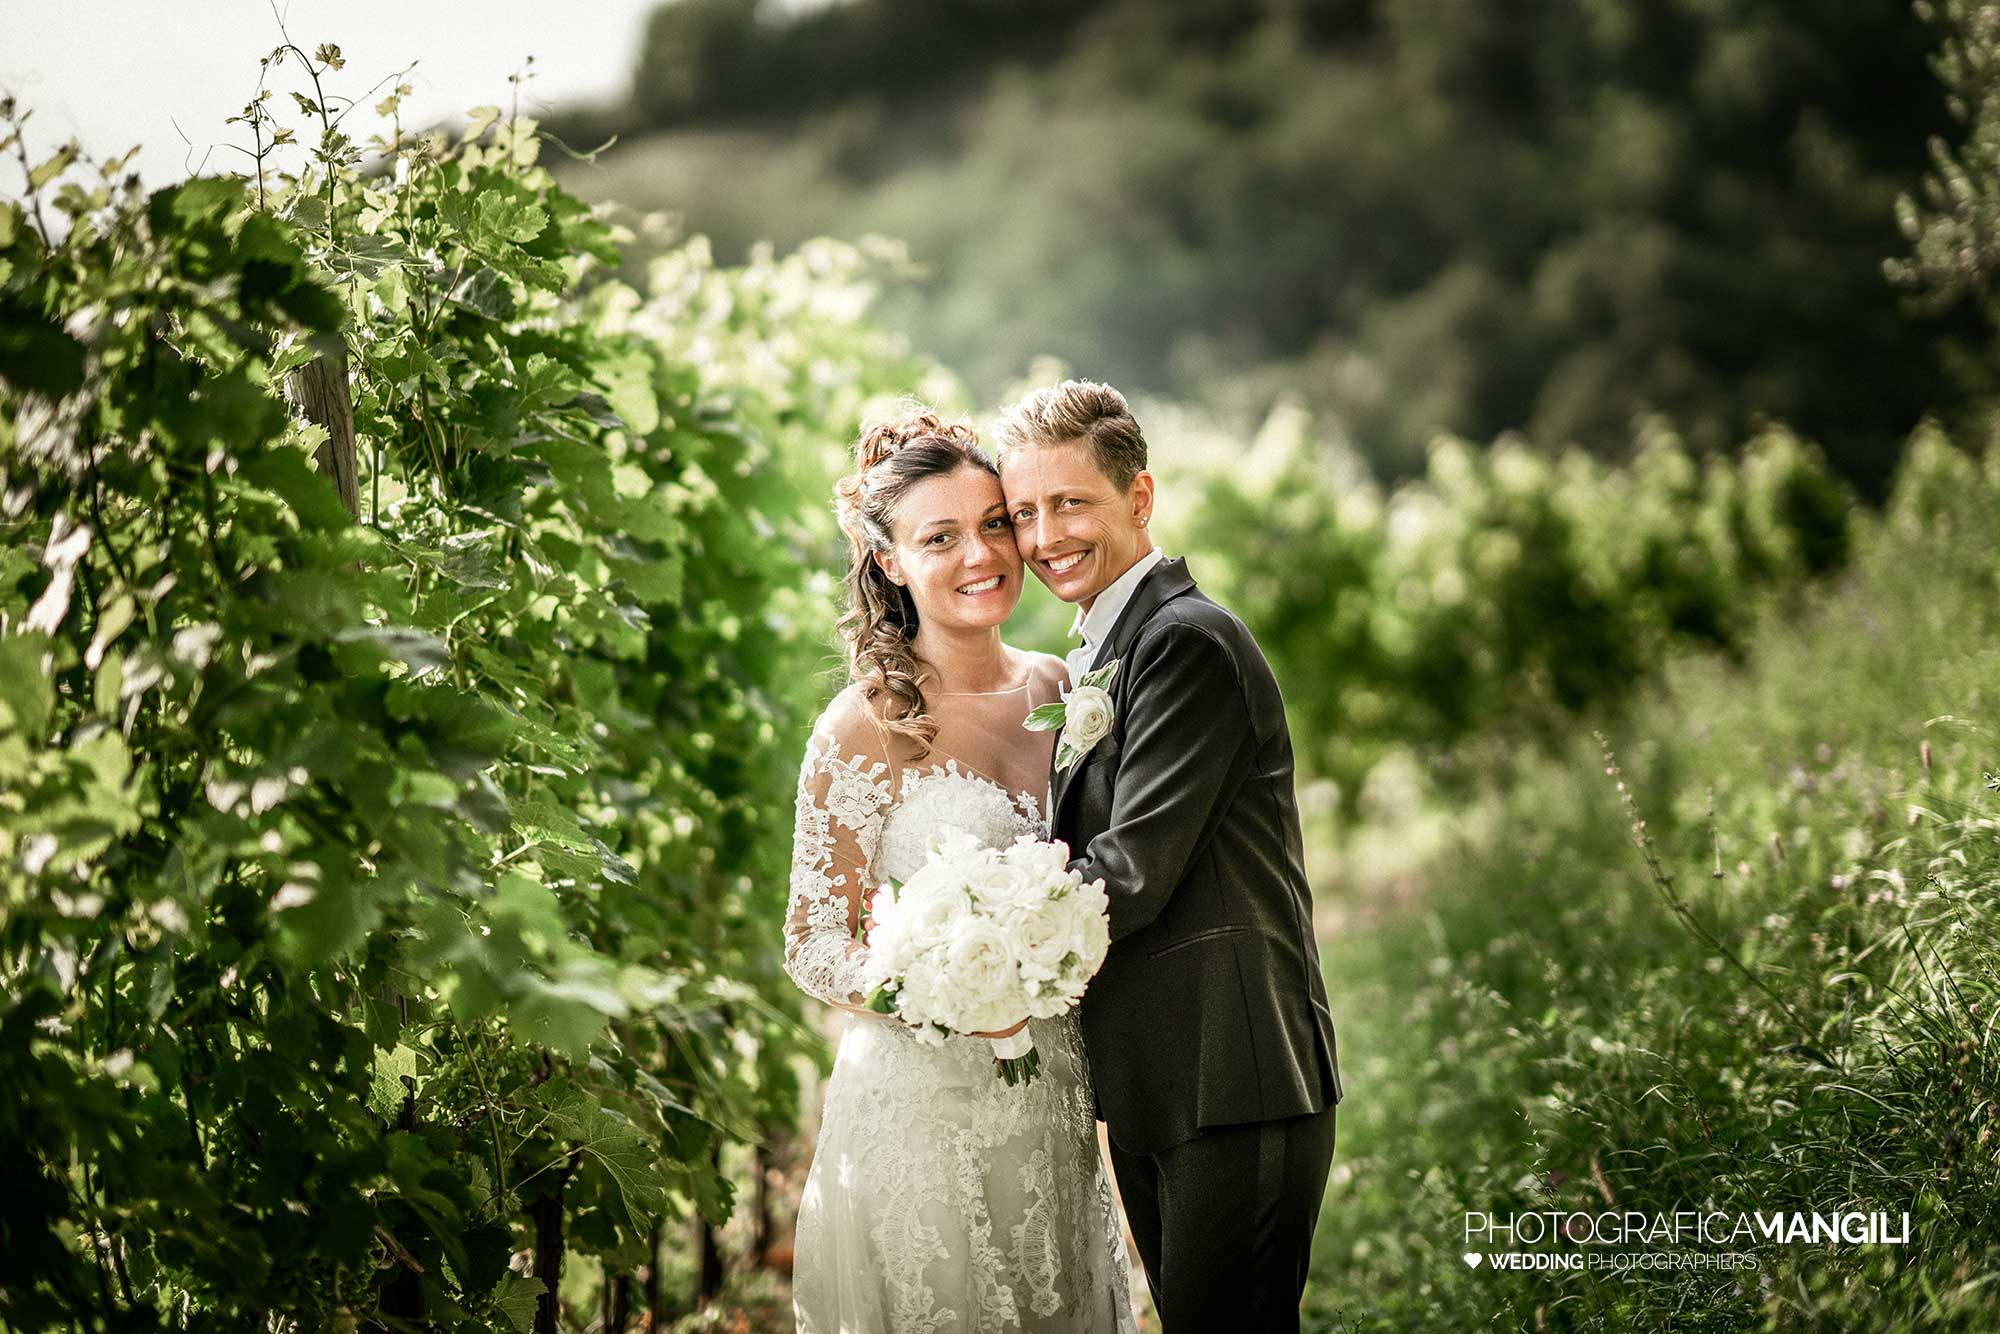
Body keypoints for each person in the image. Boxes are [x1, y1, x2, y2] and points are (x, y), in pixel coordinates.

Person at [993, 379, 1344, 1331]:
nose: (1044, 535)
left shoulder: (1186, 642)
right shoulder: (1110, 652)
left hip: (1233, 1072)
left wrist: (977, 942)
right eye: (1024, 512)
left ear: (1138, 499)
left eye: (1069, 503)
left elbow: (1131, 871)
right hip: (1166, 1080)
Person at [784, 406, 1136, 1333]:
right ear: (890, 560)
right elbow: (814, 943)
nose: (983, 556)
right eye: (940, 537)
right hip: (921, 1108)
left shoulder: (1065, 691)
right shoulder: (862, 728)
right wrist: (933, 992)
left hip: (1053, 1094)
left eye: (994, 525)